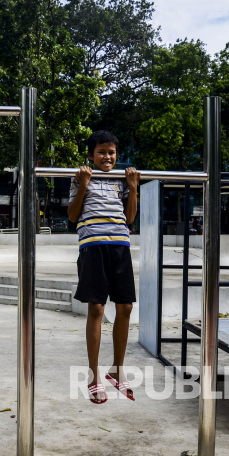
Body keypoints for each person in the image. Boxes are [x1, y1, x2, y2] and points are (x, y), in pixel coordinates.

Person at [67, 131, 141, 404]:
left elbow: (130, 217)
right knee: (96, 308)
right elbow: (73, 216)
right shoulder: (80, 177)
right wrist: (84, 184)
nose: (107, 157)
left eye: (111, 152)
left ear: (117, 155)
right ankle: (93, 376)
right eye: (101, 152)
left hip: (120, 245)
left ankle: (116, 369)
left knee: (126, 307)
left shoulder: (121, 180)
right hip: (93, 246)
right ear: (91, 154)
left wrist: (133, 188)